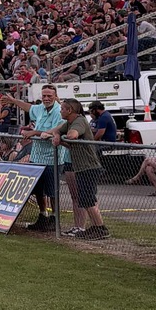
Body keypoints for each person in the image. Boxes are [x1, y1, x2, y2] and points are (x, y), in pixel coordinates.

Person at [59, 96, 107, 237]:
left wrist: (64, 137)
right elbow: (62, 135)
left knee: (88, 199)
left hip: (89, 166)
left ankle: (100, 228)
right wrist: (58, 138)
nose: (60, 111)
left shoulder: (79, 121)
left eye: (62, 109)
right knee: (84, 199)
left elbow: (72, 136)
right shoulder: (68, 122)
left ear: (69, 110)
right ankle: (95, 226)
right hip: (80, 166)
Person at [25, 83, 65, 231]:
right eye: (44, 96)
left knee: (52, 190)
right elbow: (28, 108)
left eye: (49, 96)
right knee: (38, 190)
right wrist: (12, 101)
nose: (46, 98)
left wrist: (34, 133)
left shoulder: (59, 111)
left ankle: (54, 219)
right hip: (36, 157)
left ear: (55, 96)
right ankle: (43, 215)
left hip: (52, 158)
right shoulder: (40, 108)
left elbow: (52, 132)